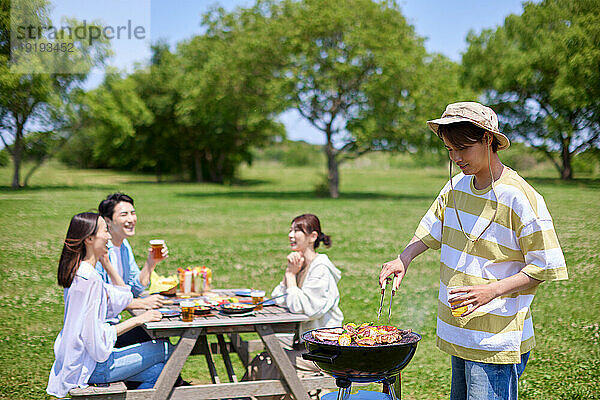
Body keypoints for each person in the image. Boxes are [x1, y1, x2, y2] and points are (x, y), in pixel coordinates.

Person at [379, 102, 568, 400]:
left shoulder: (519, 196)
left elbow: (543, 265)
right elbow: (431, 229)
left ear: (488, 140)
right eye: (449, 149)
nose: (455, 158)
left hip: (496, 336)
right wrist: (404, 258)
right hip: (461, 329)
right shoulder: (456, 187)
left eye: (462, 149)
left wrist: (490, 292)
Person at [47, 212, 172, 398]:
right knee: (167, 349)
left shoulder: (80, 272)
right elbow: (95, 339)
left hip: (80, 362)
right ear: (89, 238)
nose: (109, 236)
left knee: (159, 372)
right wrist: (139, 321)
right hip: (92, 367)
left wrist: (107, 264)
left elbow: (122, 297)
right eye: (105, 231)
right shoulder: (90, 279)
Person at [244, 214, 343, 394]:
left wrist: (290, 276)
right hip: (303, 345)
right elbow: (278, 298)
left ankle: (239, 397)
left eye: (297, 230)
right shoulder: (300, 264)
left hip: (325, 352)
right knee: (267, 359)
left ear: (313, 236)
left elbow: (306, 309)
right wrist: (290, 273)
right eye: (290, 230)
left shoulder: (321, 269)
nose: (291, 235)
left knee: (270, 361)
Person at [97, 193, 168, 347]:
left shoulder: (124, 246)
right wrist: (140, 304)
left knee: (161, 336)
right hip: (102, 332)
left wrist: (151, 263)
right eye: (124, 215)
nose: (131, 219)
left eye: (133, 213)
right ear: (107, 220)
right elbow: (101, 298)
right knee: (162, 343)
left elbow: (135, 288)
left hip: (113, 327)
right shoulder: (99, 252)